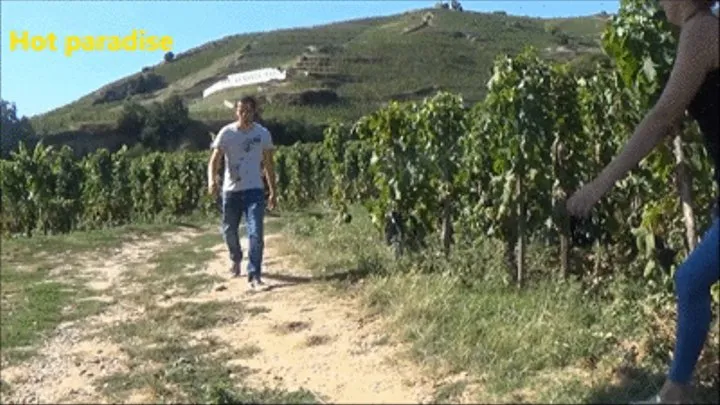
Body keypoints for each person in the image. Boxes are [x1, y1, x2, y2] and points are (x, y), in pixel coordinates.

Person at [567, 0, 718, 403]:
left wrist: (597, 187)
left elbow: (662, 115)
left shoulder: (701, 30)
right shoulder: (705, 30)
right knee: (693, 278)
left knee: (690, 279)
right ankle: (677, 390)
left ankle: (676, 392)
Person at [208, 96, 277, 291]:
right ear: (236, 112)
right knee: (229, 230)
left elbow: (269, 165)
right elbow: (214, 160)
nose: (245, 114)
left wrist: (272, 191)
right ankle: (236, 258)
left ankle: (255, 275)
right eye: (241, 110)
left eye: (249, 110)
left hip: (255, 189)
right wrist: (212, 180)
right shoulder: (227, 133)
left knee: (256, 233)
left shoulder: (262, 134)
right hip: (231, 191)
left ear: (254, 112)